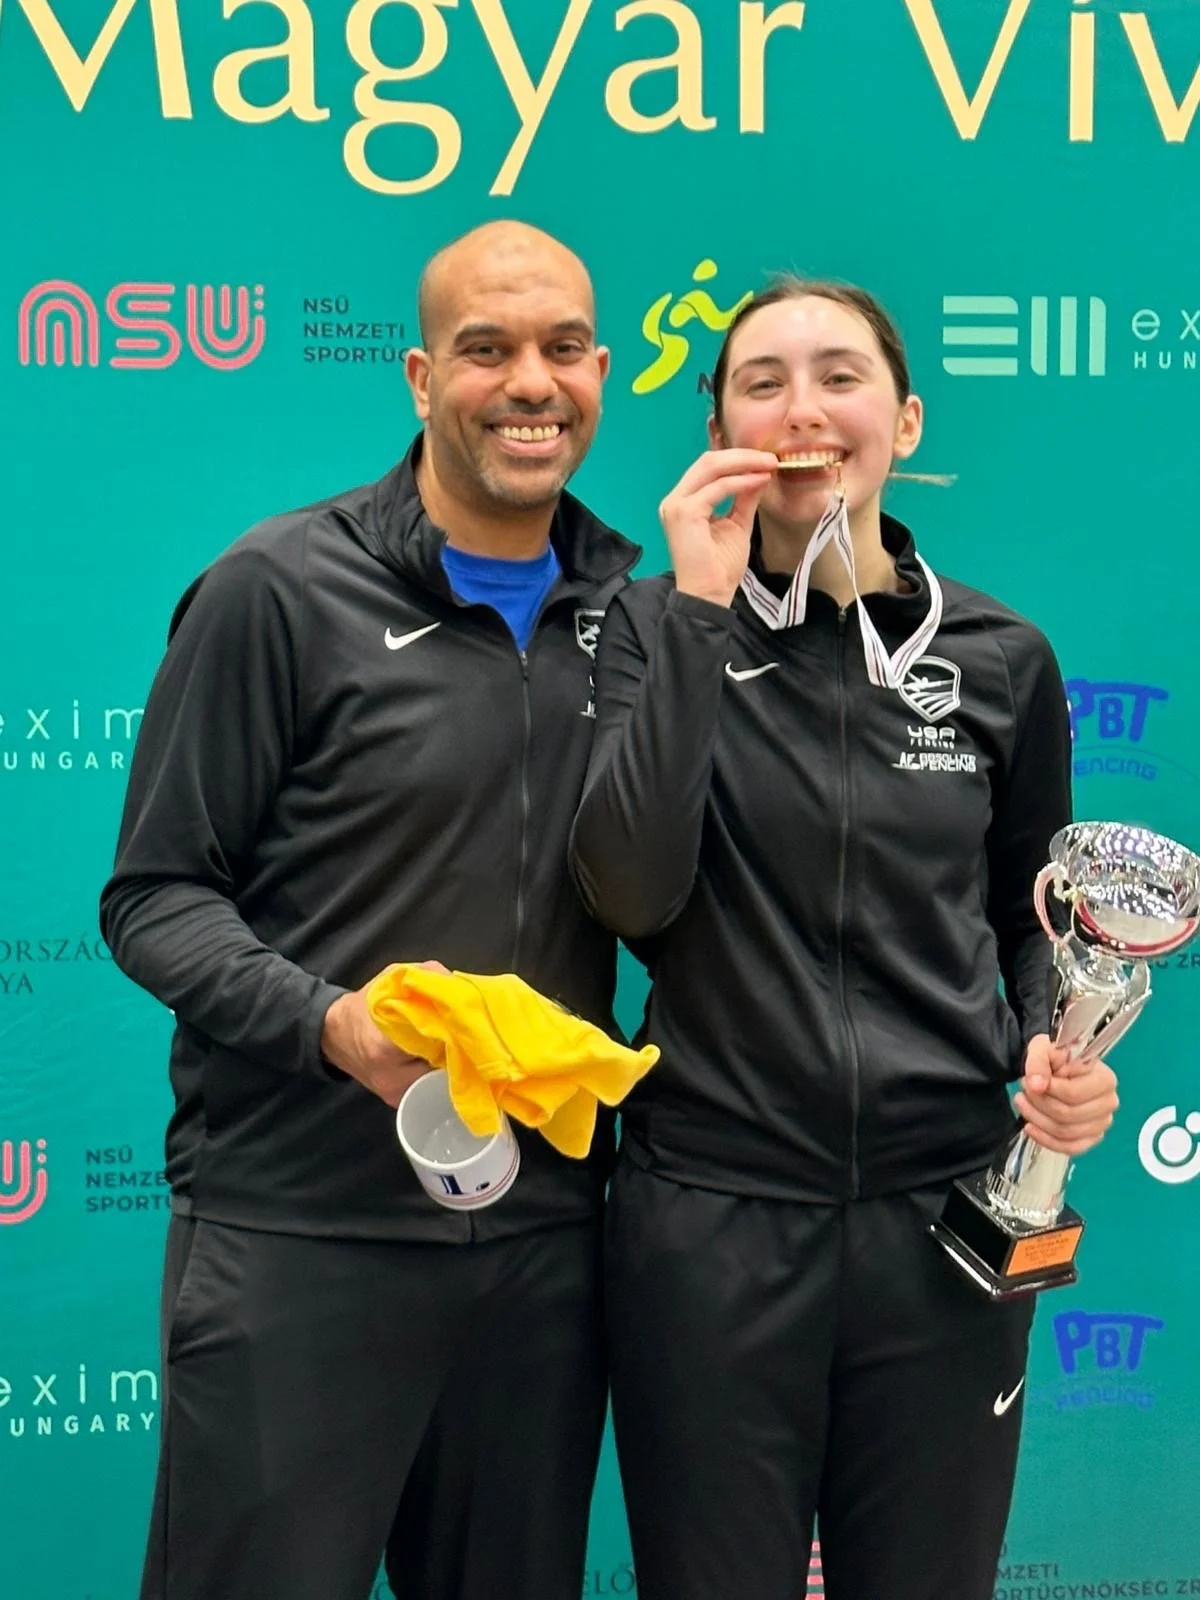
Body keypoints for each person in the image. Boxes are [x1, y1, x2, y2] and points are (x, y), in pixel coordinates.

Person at [99, 220, 639, 1600]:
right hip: (301, 1237)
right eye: (487, 349)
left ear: (600, 371)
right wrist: (331, 1025)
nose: (532, 383)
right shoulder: (277, 589)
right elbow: (155, 896)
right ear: (420, 375)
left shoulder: (635, 622)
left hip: (540, 1249)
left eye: (564, 348)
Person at [569, 276, 1120, 1600]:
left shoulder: (1002, 657)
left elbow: (1030, 915)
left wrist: (1058, 1049)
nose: (803, 409)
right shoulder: (646, 627)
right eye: (762, 384)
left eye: (840, 377)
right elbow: (629, 894)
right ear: (719, 429)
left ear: (906, 421)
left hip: (945, 1225)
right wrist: (699, 616)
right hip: (712, 1219)